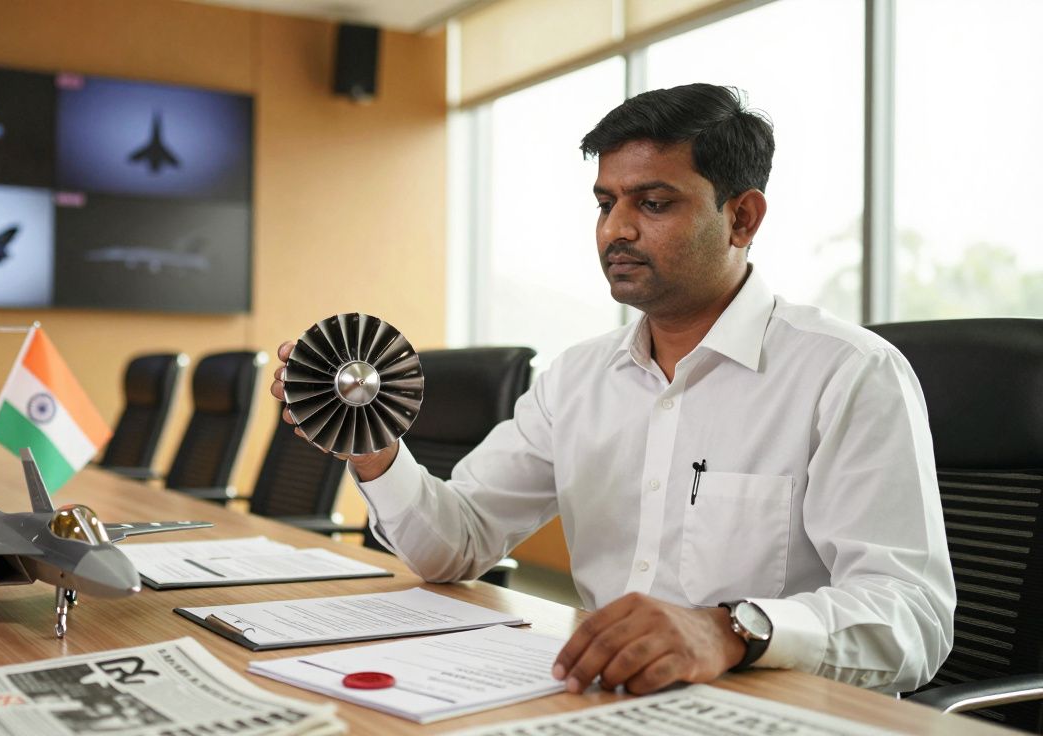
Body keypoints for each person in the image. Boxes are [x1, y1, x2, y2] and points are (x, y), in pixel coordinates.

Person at [270, 83, 953, 696]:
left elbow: (912, 619)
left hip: (773, 707)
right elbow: (459, 542)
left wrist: (729, 631)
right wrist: (374, 448)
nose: (616, 230)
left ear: (742, 218)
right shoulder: (576, 378)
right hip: (603, 699)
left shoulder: (848, 372)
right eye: (605, 203)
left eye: (653, 203)